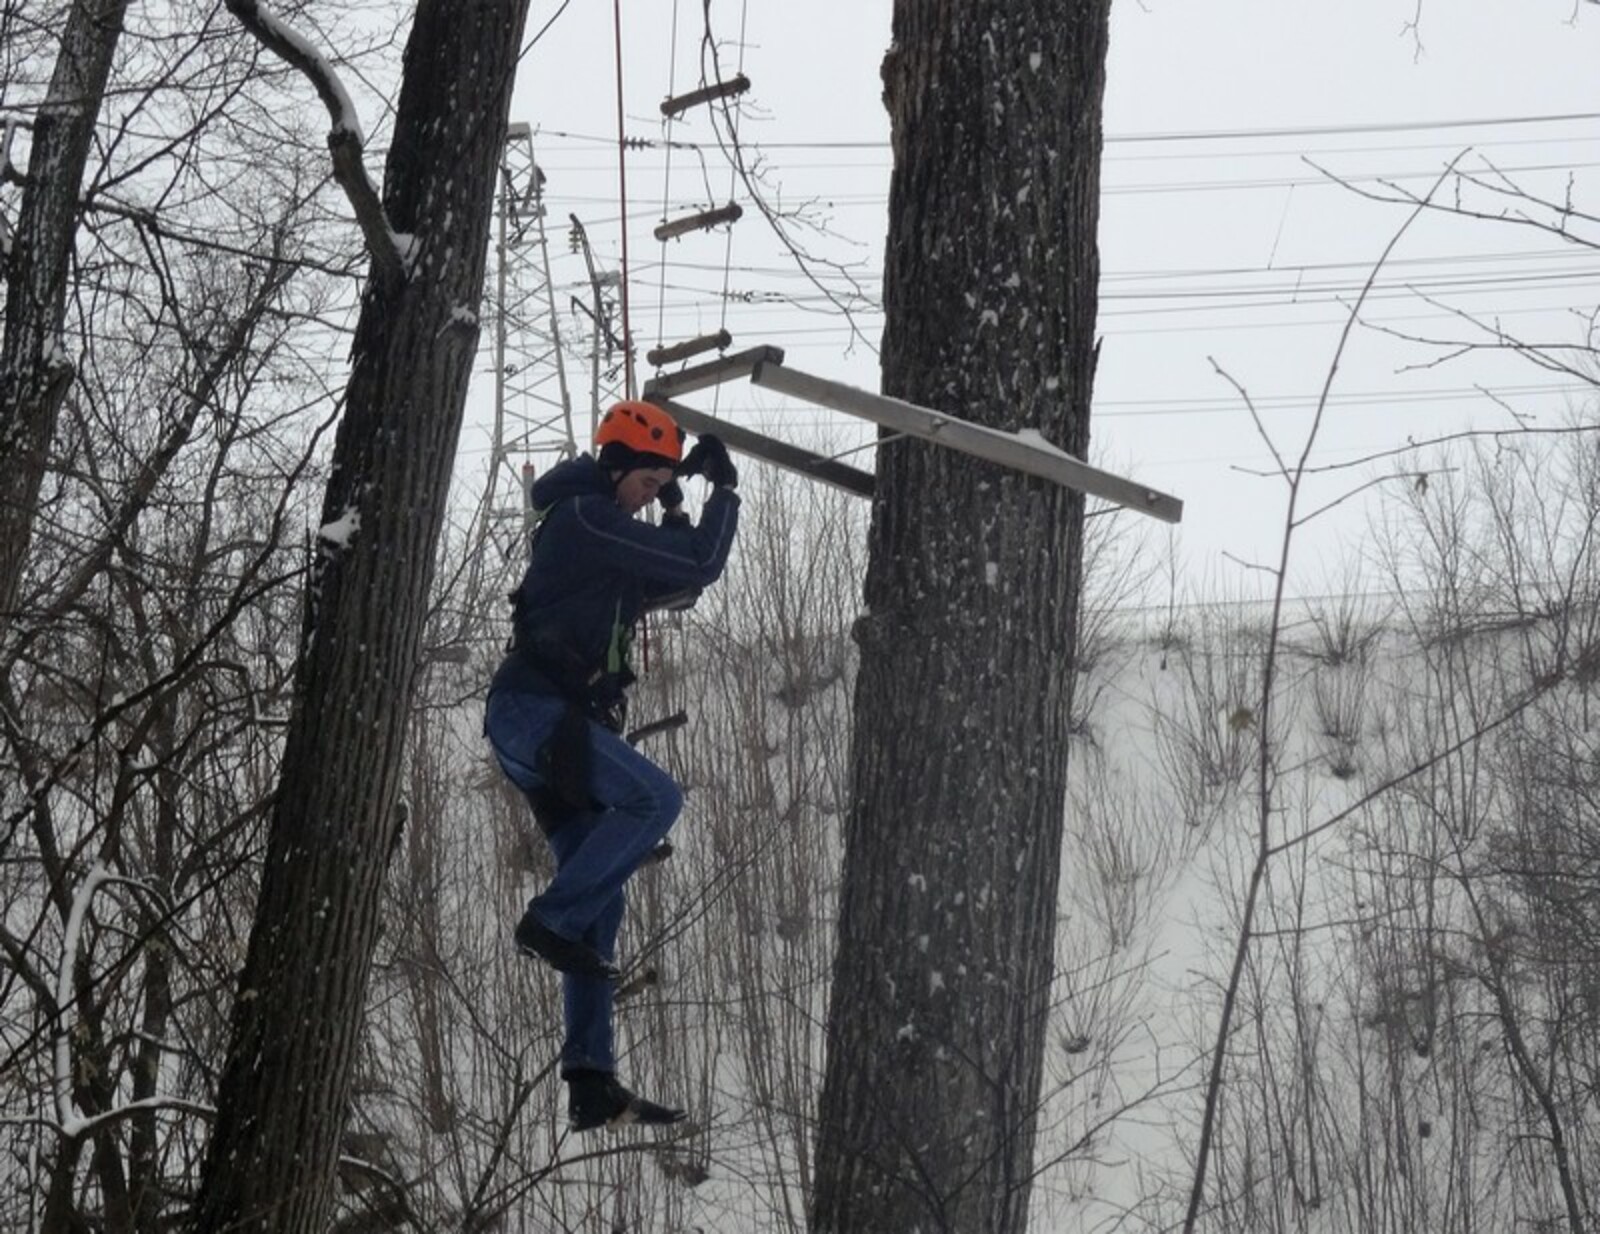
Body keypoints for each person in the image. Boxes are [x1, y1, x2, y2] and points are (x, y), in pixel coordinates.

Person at [484, 399, 740, 1131]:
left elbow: (682, 580)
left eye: (661, 483)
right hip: (535, 713)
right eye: (650, 480)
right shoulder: (585, 517)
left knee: (607, 901)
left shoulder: (607, 536)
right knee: (654, 800)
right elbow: (705, 565)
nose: (651, 494)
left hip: (550, 731)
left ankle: (589, 1078)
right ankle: (548, 918)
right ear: (619, 467)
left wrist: (681, 509)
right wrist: (722, 491)